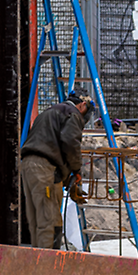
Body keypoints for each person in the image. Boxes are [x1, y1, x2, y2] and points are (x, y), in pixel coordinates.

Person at [20, 90, 93, 250]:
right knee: (50, 222)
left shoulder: (50, 112)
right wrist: (76, 170)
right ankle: (48, 266)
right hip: (44, 168)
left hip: (28, 166)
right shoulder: (72, 114)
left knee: (37, 221)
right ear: (82, 105)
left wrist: (67, 180)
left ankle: (38, 261)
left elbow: (54, 145)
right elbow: (70, 142)